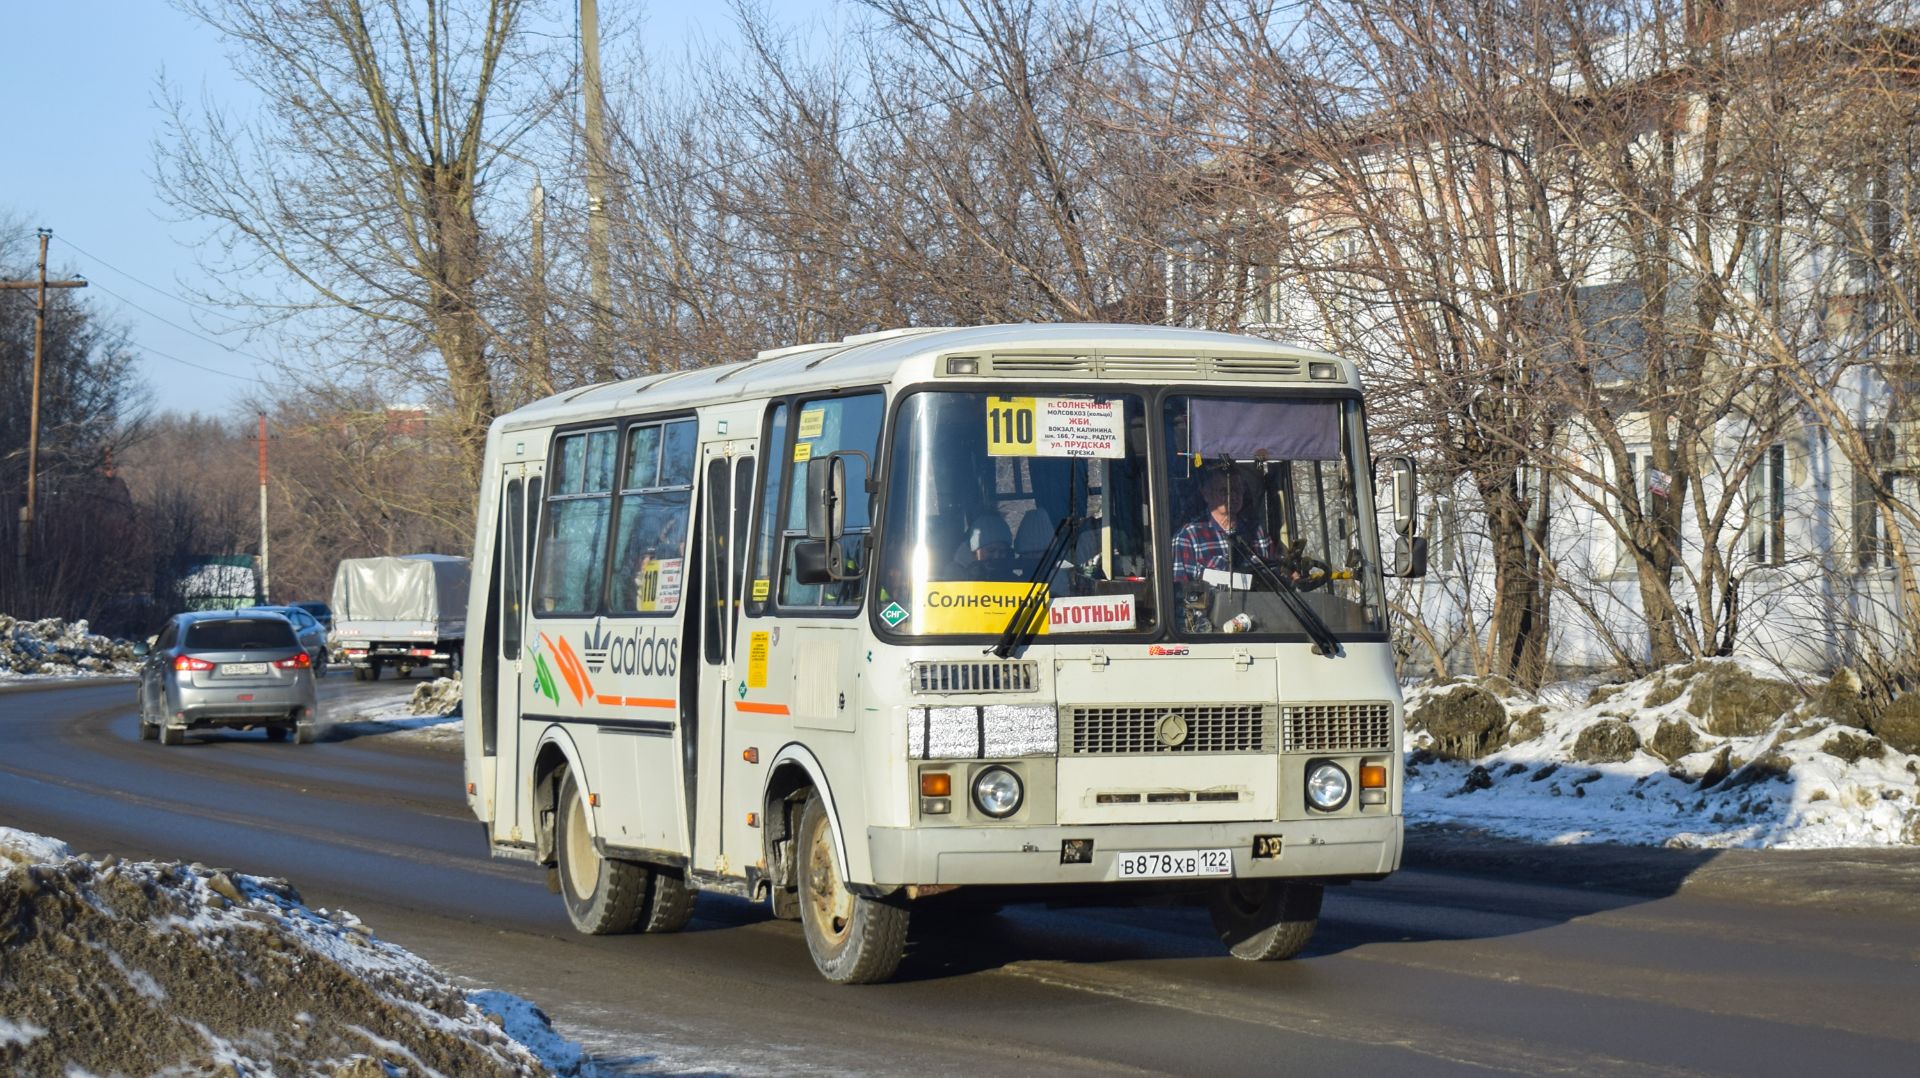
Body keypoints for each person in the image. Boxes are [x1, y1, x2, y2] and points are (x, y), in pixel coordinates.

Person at [1172, 468, 1273, 583]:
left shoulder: (1257, 533)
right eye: (1225, 491)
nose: (1233, 496)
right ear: (1206, 494)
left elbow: (1275, 579)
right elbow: (1180, 590)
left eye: (1237, 490)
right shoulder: (1188, 537)